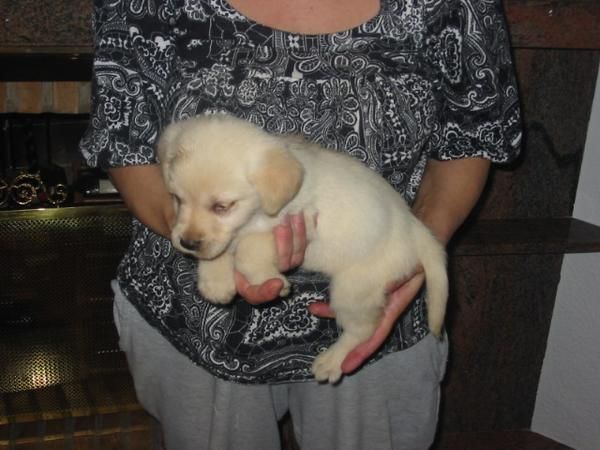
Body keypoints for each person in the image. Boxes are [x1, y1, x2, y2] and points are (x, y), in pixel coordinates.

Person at [80, 0, 521, 448]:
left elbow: (472, 137)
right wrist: (214, 244)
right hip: (191, 316)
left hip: (380, 299)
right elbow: (125, 144)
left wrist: (413, 249)